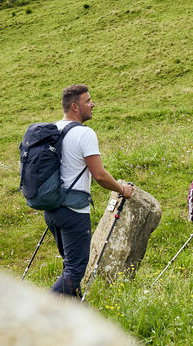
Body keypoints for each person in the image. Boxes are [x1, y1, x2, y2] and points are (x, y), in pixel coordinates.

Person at [44, 84, 134, 298]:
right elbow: (100, 176)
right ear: (75, 106)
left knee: (70, 268)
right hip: (74, 211)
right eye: (88, 101)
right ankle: (38, 314)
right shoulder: (84, 134)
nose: (93, 104)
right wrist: (123, 189)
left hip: (51, 208)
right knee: (75, 271)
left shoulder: (53, 129)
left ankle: (77, 321)